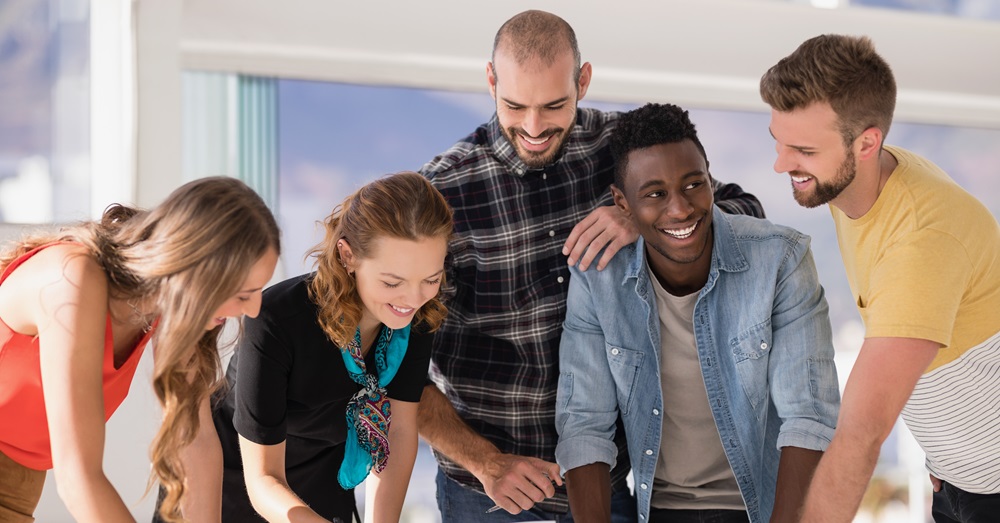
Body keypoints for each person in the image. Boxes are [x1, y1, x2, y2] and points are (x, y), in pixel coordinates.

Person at [416, 9, 766, 521]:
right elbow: (394, 370)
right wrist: (488, 464)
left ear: (583, 81)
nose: (534, 127)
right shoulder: (444, 193)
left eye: (554, 105)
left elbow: (745, 210)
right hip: (486, 494)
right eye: (515, 105)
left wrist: (646, 217)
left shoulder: (628, 149)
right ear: (490, 81)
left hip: (611, 484)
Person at [555, 102, 840, 523]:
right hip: (659, 509)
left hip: (765, 507)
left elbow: (808, 416)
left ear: (709, 175)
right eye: (654, 194)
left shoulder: (782, 259)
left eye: (693, 184)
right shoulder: (598, 278)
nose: (681, 209)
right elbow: (584, 425)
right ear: (622, 203)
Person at [760, 34, 1000, 522]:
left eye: (802, 150)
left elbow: (862, 433)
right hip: (958, 479)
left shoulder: (920, 240)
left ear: (867, 142)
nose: (782, 163)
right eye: (778, 142)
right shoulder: (860, 182)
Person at [0, 176, 281, 523]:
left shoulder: (168, 306)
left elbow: (194, 441)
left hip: (20, 483)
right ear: (195, 272)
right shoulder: (73, 279)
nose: (254, 310)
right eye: (243, 294)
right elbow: (78, 479)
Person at [175, 172, 452, 523]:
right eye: (392, 282)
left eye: (431, 279)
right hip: (228, 490)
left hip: (322, 493)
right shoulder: (276, 320)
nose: (413, 298)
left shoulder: (414, 314)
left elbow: (397, 432)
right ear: (348, 256)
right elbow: (263, 479)